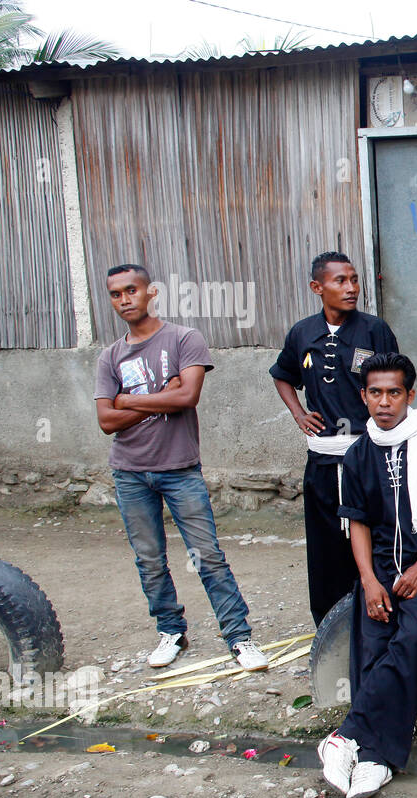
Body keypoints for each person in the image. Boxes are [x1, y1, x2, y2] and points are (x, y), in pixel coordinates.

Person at [316, 353, 417, 798]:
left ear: (410, 395)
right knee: (373, 638)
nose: (384, 402)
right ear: (364, 396)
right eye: (375, 393)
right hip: (382, 561)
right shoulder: (359, 452)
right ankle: (375, 760)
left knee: (411, 634)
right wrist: (368, 579)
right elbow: (359, 522)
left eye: (394, 393)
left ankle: (346, 737)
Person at [93, 264, 267, 671]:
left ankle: (239, 639)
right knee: (149, 558)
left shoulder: (184, 338)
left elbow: (187, 397)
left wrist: (126, 401)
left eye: (131, 290)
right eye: (116, 294)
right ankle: (171, 632)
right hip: (129, 472)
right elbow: (106, 422)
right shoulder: (109, 357)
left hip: (179, 469)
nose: (124, 300)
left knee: (207, 555)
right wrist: (158, 396)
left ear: (150, 292)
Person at [270, 252, 399, 627]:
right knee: (327, 545)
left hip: (369, 456)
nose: (351, 288)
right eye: (340, 281)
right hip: (324, 459)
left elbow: (395, 385)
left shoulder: (374, 330)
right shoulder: (302, 333)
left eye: (355, 280)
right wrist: (298, 413)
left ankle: (380, 615)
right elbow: (282, 374)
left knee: (378, 537)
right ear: (317, 287)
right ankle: (331, 626)